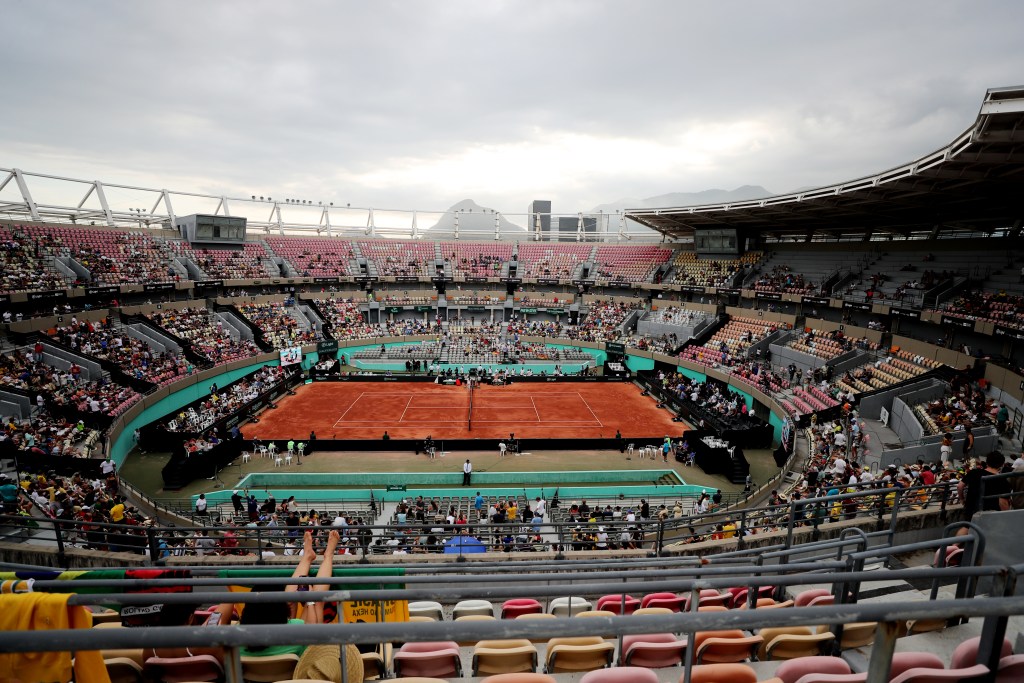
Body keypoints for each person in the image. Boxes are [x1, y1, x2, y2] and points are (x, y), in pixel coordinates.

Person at [958, 451, 1011, 522]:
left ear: (987, 462)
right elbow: (1003, 502)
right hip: (990, 514)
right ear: (1001, 465)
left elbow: (960, 486)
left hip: (971, 509)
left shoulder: (974, 472)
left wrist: (962, 499)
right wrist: (1008, 519)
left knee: (967, 527)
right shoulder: (1003, 480)